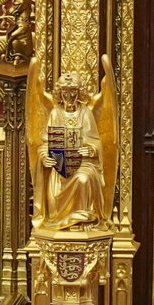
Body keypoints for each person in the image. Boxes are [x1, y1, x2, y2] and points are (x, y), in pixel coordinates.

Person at [37, 71, 108, 227]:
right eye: (65, 92)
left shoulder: (85, 113)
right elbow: (45, 144)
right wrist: (44, 157)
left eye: (73, 91)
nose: (68, 96)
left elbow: (96, 142)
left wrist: (91, 150)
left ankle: (82, 218)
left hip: (84, 164)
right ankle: (60, 219)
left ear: (79, 92)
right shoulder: (55, 113)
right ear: (59, 93)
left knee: (83, 179)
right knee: (55, 189)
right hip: (61, 166)